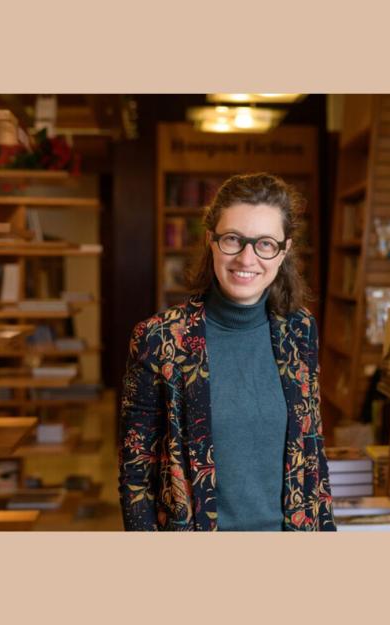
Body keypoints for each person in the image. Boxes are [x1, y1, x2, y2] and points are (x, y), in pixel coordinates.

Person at [118, 173, 335, 531]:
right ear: (212, 242)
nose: (247, 258)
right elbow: (134, 477)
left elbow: (312, 452)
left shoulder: (300, 331)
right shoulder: (159, 339)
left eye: (265, 244)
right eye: (233, 239)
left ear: (284, 251)